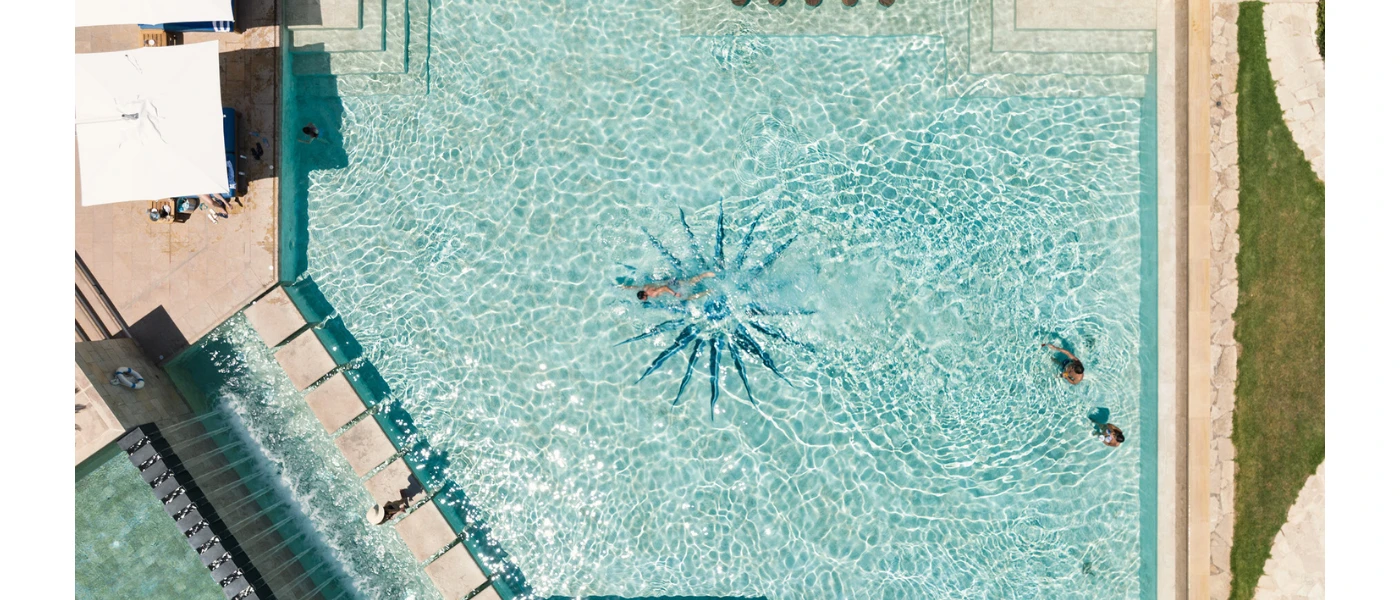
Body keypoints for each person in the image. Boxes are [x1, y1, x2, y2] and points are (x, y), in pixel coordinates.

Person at [625, 272, 716, 301]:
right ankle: (705, 278)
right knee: (690, 282)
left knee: (689, 296)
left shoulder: (652, 294)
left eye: (643, 299)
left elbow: (664, 288)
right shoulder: (644, 287)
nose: (644, 300)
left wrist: (674, 294)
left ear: (644, 295)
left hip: (673, 285)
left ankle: (709, 290)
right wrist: (625, 287)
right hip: (670, 281)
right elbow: (634, 287)